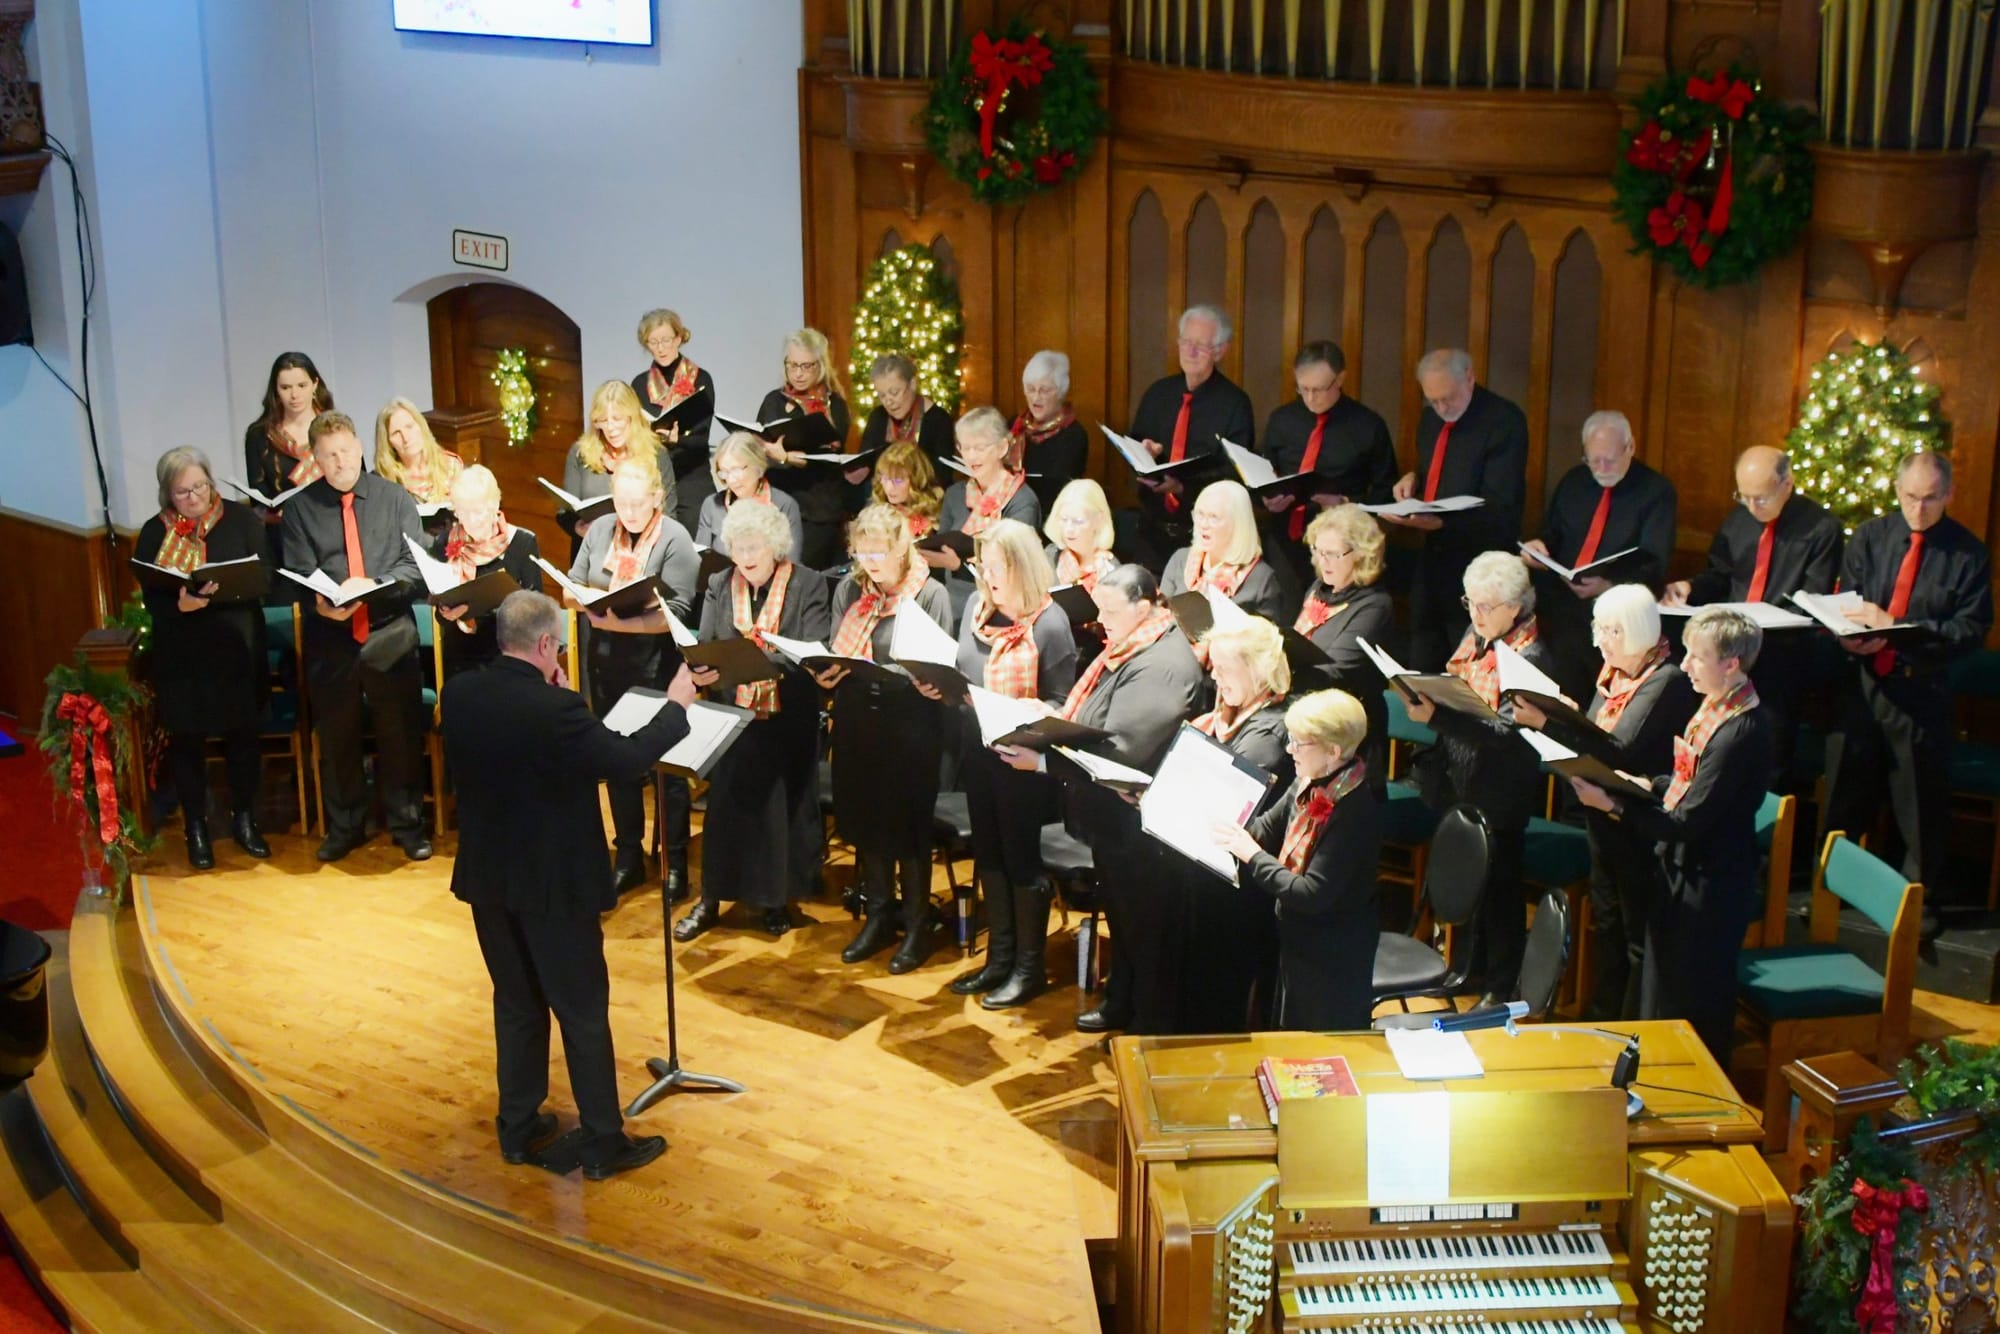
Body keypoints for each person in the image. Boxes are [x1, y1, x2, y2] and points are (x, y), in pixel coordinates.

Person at [443, 589, 694, 1179]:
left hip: (489, 879)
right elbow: (624, 760)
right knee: (581, 1011)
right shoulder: (557, 711)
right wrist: (676, 708)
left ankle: (519, 1126)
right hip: (553, 887)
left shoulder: (461, 693)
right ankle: (604, 1141)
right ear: (550, 644)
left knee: (518, 1003)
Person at [1007, 564, 1203, 1035]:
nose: (1101, 620)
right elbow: (1097, 717)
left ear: (1145, 606)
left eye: (1110, 611)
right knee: (1123, 919)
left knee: (1145, 929)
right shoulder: (1132, 645)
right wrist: (1051, 716)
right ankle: (1121, 1003)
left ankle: (1145, 1027)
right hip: (1112, 819)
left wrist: (1046, 761)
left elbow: (1123, 749)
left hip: (1140, 826)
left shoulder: (1166, 662)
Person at [1572, 607, 1772, 1062]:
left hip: (1708, 887)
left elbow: (1687, 822)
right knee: (1661, 991)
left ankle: (1693, 1096)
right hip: (1684, 873)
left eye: (1697, 658)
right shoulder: (1715, 708)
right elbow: (1687, 784)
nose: (1683, 666)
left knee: (1691, 1002)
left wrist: (1614, 804)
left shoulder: (1740, 730)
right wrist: (1653, 785)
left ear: (1731, 664)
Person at [1822, 451, 1993, 921]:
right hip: (1861, 684)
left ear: (1950, 494)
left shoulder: (1968, 553)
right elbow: (1845, 600)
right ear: (1897, 490)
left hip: (1921, 690)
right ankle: (1826, 894)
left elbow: (1970, 631)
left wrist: (1898, 625)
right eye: (1910, 497)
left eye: (1931, 499)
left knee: (1918, 806)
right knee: (1844, 793)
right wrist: (1849, 637)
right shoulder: (1872, 537)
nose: (1919, 509)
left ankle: (1914, 905)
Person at [1513, 585, 1695, 1020]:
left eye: (1613, 630)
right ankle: (1600, 1016)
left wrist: (1549, 724)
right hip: (1602, 818)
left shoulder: (1665, 679)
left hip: (1637, 824)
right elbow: (1594, 736)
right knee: (1606, 926)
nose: (1601, 640)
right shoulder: (1614, 674)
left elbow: (1619, 750)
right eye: (1600, 627)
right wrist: (1562, 716)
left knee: (1635, 937)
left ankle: (1628, 1028)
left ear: (1637, 631)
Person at [925, 519, 1077, 1008]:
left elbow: (1063, 701)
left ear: (1022, 567)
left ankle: (1028, 969)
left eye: (996, 569)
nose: (987, 579)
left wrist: (1038, 711)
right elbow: (961, 670)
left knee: (1020, 859)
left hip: (1023, 762)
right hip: (979, 752)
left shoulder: (1050, 623)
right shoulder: (974, 606)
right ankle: (999, 960)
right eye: (981, 567)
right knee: (988, 854)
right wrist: (940, 687)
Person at [674, 502, 834, 942]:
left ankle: (775, 899)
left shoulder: (808, 584)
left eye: (754, 549)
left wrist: (757, 659)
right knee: (725, 808)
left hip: (788, 717)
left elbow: (811, 650)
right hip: (734, 716)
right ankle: (711, 897)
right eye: (738, 548)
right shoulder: (720, 583)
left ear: (776, 548)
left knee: (780, 811)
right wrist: (704, 668)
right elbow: (707, 642)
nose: (745, 558)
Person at [1401, 551, 1555, 1005]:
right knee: (1468, 880)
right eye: (1471, 602)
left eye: (1487, 607)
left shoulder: (1533, 655)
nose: (1475, 614)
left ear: (1516, 607)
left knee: (1500, 892)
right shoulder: (1478, 635)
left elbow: (1508, 731)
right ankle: (1467, 968)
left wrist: (1438, 718)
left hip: (1502, 787)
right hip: (1461, 777)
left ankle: (1500, 983)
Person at [280, 411, 432, 863]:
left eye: (346, 451)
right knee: (338, 737)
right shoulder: (300, 509)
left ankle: (407, 824)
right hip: (332, 639)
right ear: (316, 459)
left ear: (360, 448)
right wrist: (321, 604)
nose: (339, 461)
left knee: (400, 735)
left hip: (388, 632)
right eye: (328, 455)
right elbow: (298, 573)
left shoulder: (394, 499)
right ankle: (345, 825)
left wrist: (375, 585)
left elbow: (414, 567)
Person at [820, 505, 957, 973]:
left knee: (907, 827)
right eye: (864, 550)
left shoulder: (931, 593)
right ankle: (878, 914)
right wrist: (828, 673)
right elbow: (835, 647)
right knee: (865, 820)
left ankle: (917, 924)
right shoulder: (850, 590)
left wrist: (919, 679)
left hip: (911, 723)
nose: (872, 560)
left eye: (881, 551)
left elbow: (939, 662)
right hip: (859, 718)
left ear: (903, 547)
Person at [1664, 445, 1844, 790]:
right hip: (1728, 658)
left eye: (1760, 498)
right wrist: (1690, 587)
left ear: (1786, 484)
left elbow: (1813, 601)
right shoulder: (1738, 520)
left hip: (1780, 658)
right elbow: (1720, 576)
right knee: (1715, 750)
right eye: (1743, 496)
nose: (1751, 507)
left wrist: (1767, 619)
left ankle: (1765, 838)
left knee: (1769, 758)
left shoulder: (1821, 529)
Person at [565, 460, 702, 898]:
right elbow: (570, 588)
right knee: (615, 759)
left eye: (637, 503)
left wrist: (609, 621)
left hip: (656, 664)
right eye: (621, 502)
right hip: (605, 664)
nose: (627, 511)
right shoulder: (601, 529)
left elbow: (675, 615)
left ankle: (673, 862)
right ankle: (627, 855)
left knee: (668, 769)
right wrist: (594, 603)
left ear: (657, 499)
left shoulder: (675, 539)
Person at [1212, 689, 1382, 1032]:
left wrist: (1252, 855)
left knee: (1318, 1049)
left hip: (1333, 952)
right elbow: (1263, 830)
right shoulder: (1309, 781)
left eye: (1300, 743)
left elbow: (1310, 893)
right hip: (1299, 939)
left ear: (1333, 751)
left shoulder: (1355, 809)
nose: (1289, 750)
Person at [134, 447, 270, 869]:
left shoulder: (241, 520)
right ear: (166, 494)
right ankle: (196, 826)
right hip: (183, 656)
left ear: (211, 481)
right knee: (186, 742)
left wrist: (219, 594)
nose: (193, 498)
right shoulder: (155, 532)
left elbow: (262, 578)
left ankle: (244, 818)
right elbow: (152, 596)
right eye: (181, 492)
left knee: (243, 738)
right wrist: (181, 604)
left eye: (200, 487)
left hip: (236, 648)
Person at [1178, 618, 1294, 1033]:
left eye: (1224, 669)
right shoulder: (1232, 714)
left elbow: (1222, 797)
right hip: (1215, 873)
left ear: (1257, 672)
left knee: (1223, 993)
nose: (1214, 676)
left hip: (1243, 889)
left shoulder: (1268, 730)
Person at [1521, 410, 1678, 701]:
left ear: (1630, 447)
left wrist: (1608, 585)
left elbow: (1655, 563)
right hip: (1562, 611)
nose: (1602, 468)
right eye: (1594, 460)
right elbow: (1552, 533)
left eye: (1610, 459)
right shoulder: (1575, 481)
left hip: (1617, 623)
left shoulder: (1656, 492)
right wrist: (1536, 547)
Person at [1386, 349, 1528, 669]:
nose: (1441, 408)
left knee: (1470, 666)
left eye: (1447, 398)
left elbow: (1501, 505)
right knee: (1422, 657)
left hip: (1480, 564)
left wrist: (1440, 523)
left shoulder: (1504, 421)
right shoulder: (1431, 420)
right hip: (1432, 557)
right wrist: (1414, 479)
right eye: (1432, 400)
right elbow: (1436, 470)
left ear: (1470, 378)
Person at [1257, 341, 1396, 590]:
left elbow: (1386, 489)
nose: (1311, 398)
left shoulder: (1367, 425)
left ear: (1340, 379)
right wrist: (1267, 498)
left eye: (1320, 389)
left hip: (1342, 546)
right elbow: (1262, 472)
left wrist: (1346, 504)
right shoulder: (1282, 419)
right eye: (1303, 389)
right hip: (1285, 539)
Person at [1126, 305, 1256, 569]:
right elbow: (1132, 447)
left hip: (1205, 535)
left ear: (1220, 350)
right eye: (1186, 342)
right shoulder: (1158, 394)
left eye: (1201, 345)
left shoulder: (1235, 404)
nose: (1191, 351)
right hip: (1152, 529)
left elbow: (1235, 474)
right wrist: (1145, 453)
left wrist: (1183, 488)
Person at [1294, 505, 1393, 787]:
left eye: (1334, 554)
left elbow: (1336, 670)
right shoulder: (1318, 589)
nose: (1323, 561)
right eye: (1318, 551)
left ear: (1361, 555)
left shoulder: (1374, 604)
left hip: (1349, 734)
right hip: (1310, 716)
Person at [754, 328, 855, 571]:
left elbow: (832, 457)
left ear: (820, 365)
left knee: (806, 577)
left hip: (819, 510)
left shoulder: (834, 405)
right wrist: (775, 457)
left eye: (806, 366)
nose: (798, 373)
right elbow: (758, 444)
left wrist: (789, 457)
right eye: (792, 365)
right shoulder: (773, 401)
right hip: (778, 505)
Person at [431, 465, 544, 682]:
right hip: (460, 657)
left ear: (494, 505)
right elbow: (439, 607)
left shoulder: (521, 542)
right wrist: (445, 612)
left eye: (478, 511)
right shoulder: (445, 542)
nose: (472, 520)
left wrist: (479, 613)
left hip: (509, 656)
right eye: (463, 512)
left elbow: (535, 609)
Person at [928, 407, 1043, 616]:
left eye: (979, 448)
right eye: (964, 447)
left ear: (1001, 448)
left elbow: (1017, 568)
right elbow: (940, 549)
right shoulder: (955, 494)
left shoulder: (1021, 500)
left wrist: (958, 567)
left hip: (1001, 608)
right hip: (953, 605)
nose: (971, 456)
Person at [243, 351, 333, 570]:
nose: (295, 395)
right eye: (286, 388)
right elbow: (258, 499)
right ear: (275, 390)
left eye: (302, 385)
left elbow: (358, 478)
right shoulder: (258, 435)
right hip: (283, 540)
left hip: (332, 535)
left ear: (315, 384)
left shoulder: (334, 427)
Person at [564, 381, 677, 555]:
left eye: (617, 419)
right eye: (603, 420)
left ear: (632, 417)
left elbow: (669, 514)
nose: (610, 428)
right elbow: (565, 512)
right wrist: (580, 529)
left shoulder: (655, 454)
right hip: (591, 553)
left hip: (640, 554)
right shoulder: (581, 452)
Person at [630, 308, 716, 534]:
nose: (661, 348)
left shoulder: (700, 378)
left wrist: (679, 439)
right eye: (653, 342)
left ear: (679, 338)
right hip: (656, 478)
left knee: (697, 548)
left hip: (692, 475)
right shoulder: (640, 384)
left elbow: (702, 436)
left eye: (666, 340)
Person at [1159, 480, 1287, 624]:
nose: (1203, 524)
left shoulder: (1261, 578)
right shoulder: (1180, 559)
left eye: (1214, 517)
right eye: (1200, 514)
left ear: (1237, 524)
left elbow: (1264, 641)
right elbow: (1161, 619)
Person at [693, 431, 805, 561]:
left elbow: (791, 563)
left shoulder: (784, 505)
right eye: (724, 473)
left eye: (736, 470)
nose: (731, 480)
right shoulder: (712, 504)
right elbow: (701, 561)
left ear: (757, 466)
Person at [1010, 350, 1088, 514]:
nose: (1035, 397)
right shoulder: (1015, 426)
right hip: (1011, 510)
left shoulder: (1073, 435)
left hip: (1054, 515)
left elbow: (1061, 489)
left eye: (1044, 390)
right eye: (1030, 389)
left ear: (1060, 392)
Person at [372, 396, 464, 535]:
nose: (406, 438)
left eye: (409, 427)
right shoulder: (384, 481)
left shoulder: (451, 466)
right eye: (396, 433)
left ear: (420, 426)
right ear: (388, 442)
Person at [857, 353, 956, 472]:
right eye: (882, 395)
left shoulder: (939, 420)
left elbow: (943, 475)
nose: (888, 401)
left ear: (913, 384)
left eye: (894, 392)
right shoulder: (878, 417)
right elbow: (865, 461)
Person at [1045, 478, 1120, 591]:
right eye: (1064, 519)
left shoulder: (1110, 570)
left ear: (1098, 520)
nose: (1069, 529)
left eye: (1078, 521)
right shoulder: (1050, 556)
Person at [870, 441, 945, 541]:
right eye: (885, 478)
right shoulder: (874, 514)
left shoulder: (937, 519)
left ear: (917, 480)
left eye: (898, 480)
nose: (889, 487)